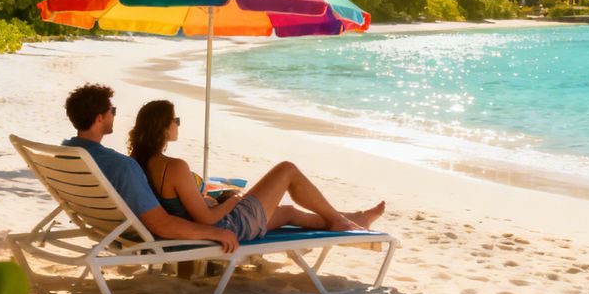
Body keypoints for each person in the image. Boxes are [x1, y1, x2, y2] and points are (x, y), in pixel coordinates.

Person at [127, 99, 385, 242]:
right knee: (287, 169)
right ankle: (339, 220)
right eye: (176, 120)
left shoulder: (139, 162)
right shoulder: (174, 166)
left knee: (289, 212)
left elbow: (181, 207)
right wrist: (235, 200)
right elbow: (207, 220)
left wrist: (210, 197)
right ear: (163, 127)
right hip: (228, 226)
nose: (178, 125)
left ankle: (355, 218)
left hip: (202, 222)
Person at [61, 83, 240, 252]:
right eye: (112, 111)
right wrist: (216, 233)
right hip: (142, 235)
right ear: (100, 118)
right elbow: (161, 224)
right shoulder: (122, 167)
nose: (114, 115)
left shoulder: (66, 155)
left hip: (105, 226)